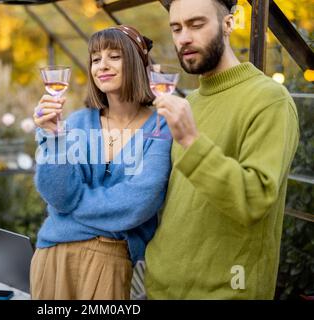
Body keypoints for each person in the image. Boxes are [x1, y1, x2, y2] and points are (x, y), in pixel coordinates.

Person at [145, 0, 300, 299]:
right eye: (176, 28)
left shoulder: (269, 100)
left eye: (196, 24)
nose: (184, 38)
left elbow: (254, 200)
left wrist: (192, 141)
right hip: (159, 287)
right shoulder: (189, 104)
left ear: (229, 23)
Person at [30, 25, 172, 300]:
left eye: (114, 56)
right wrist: (53, 136)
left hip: (110, 260)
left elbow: (139, 202)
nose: (102, 66)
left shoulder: (160, 127)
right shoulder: (76, 123)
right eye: (96, 59)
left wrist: (72, 210)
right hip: (52, 257)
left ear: (136, 62)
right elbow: (58, 195)